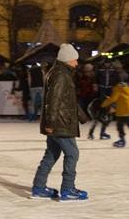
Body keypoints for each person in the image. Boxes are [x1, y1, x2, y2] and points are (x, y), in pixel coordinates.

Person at [30, 44, 90, 201]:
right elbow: (53, 100)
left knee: (51, 154)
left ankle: (38, 187)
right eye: (75, 60)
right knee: (72, 154)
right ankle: (68, 189)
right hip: (60, 123)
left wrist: (82, 116)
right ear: (67, 59)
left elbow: (68, 100)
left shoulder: (59, 72)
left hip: (58, 121)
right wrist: (50, 123)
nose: (76, 63)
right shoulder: (61, 75)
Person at [103, 78, 129, 148]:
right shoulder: (127, 87)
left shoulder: (117, 89)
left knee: (120, 126)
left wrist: (103, 104)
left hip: (121, 111)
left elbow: (113, 98)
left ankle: (122, 140)